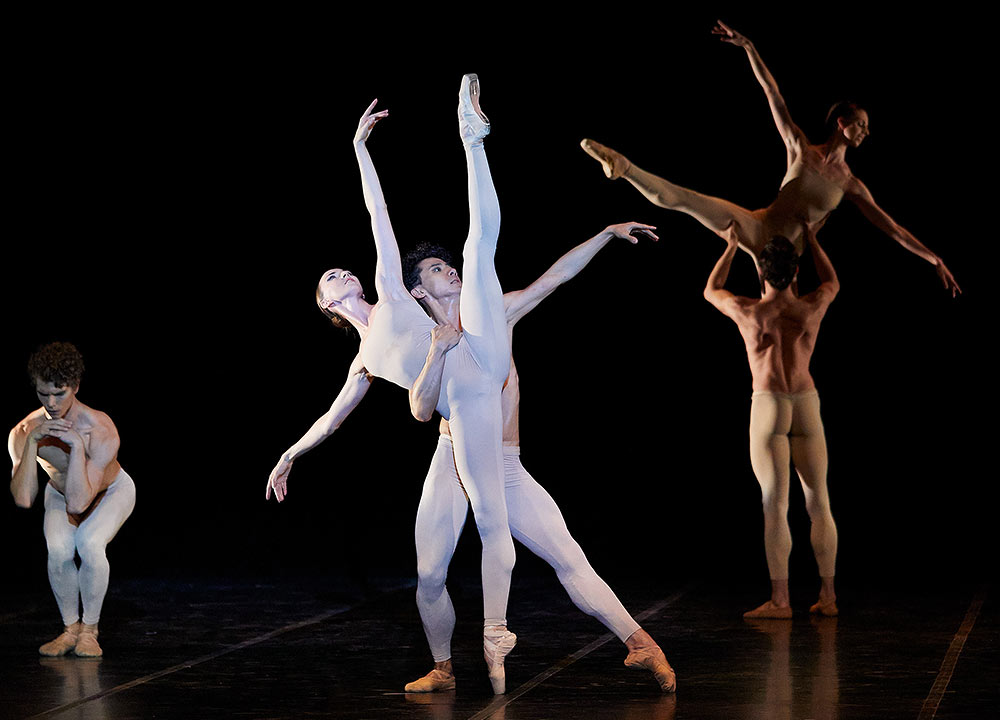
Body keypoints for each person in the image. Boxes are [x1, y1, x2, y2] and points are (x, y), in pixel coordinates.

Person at [268, 76, 519, 693]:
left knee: (500, 528)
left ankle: (496, 631)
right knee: (428, 572)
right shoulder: (363, 360)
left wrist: (360, 148)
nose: (340, 271)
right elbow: (331, 420)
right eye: (329, 277)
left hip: (475, 411)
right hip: (445, 437)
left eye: (340, 267)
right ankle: (443, 666)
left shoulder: (390, 291)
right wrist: (289, 453)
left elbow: (377, 213)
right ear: (329, 307)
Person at [398, 224, 677, 694]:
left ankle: (642, 643)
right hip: (451, 461)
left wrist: (606, 235)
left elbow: (553, 278)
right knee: (428, 574)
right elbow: (421, 410)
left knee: (569, 556)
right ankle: (442, 668)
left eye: (449, 263)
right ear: (418, 290)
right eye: (435, 269)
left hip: (504, 464)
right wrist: (435, 351)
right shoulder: (424, 339)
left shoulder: (496, 314)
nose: (449, 269)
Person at [580, 20, 960, 297]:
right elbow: (773, 96)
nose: (865, 132)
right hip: (757, 227)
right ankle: (624, 167)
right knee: (683, 199)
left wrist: (932, 258)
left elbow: (892, 228)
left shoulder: (850, 185)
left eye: (866, 127)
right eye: (860, 124)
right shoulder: (800, 148)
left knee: (782, 327)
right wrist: (749, 48)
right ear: (842, 123)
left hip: (788, 257)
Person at [702, 226, 839, 619]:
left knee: (774, 506)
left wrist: (730, 248)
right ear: (795, 274)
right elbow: (831, 281)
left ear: (761, 276)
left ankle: (781, 601)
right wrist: (813, 240)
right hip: (806, 403)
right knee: (819, 502)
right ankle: (827, 596)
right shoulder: (811, 306)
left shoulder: (749, 311)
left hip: (769, 404)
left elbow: (711, 290)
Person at [8, 342, 136, 657]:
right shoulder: (24, 430)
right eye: (43, 394)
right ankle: (70, 629)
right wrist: (32, 444)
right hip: (60, 491)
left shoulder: (99, 428)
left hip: (110, 492)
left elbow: (80, 504)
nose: (50, 403)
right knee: (59, 550)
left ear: (75, 387)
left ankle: (90, 631)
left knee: (89, 543)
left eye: (59, 393)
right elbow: (24, 498)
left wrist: (77, 447)